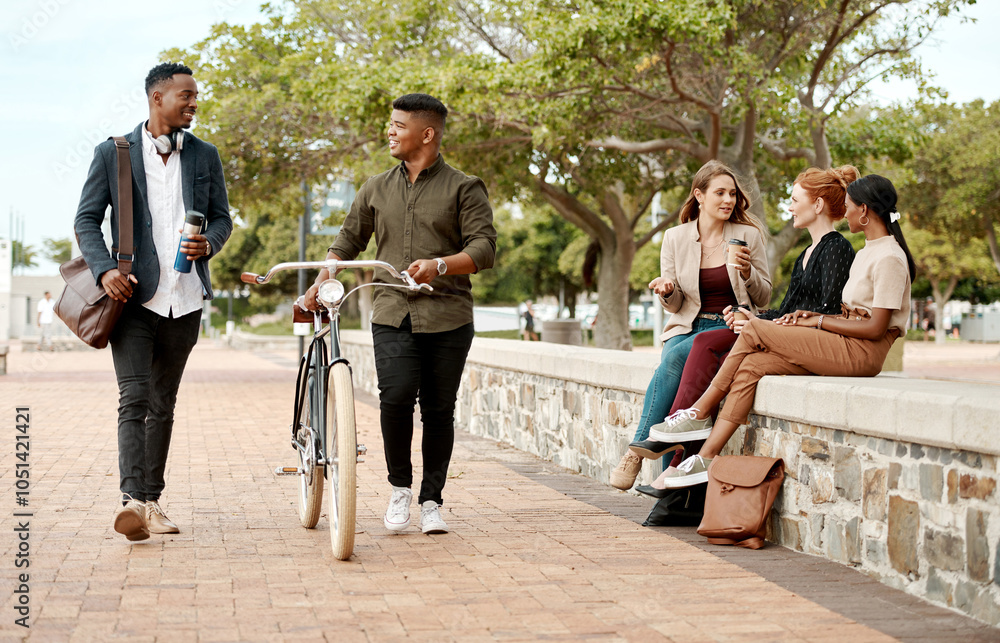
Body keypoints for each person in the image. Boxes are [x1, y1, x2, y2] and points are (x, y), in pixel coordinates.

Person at [304, 93, 496, 535]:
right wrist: (320, 281)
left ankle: (431, 500)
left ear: (426, 134)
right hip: (391, 312)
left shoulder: (465, 187)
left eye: (398, 125)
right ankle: (399, 488)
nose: (389, 131)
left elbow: (483, 248)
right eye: (390, 124)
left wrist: (440, 264)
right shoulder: (375, 187)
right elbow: (347, 242)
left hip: (449, 316)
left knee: (438, 409)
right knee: (394, 399)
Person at [651, 174, 914, 488]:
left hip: (862, 352)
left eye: (848, 206)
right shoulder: (868, 251)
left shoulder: (890, 257)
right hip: (844, 341)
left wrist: (815, 321)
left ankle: (698, 411)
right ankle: (705, 458)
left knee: (753, 332)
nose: (843, 212)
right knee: (751, 366)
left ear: (865, 211)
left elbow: (874, 328)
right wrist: (807, 319)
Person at [75, 62, 233, 540]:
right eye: (185, 95)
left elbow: (223, 219)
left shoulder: (205, 155)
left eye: (195, 96)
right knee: (134, 398)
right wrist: (104, 270)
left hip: (185, 299)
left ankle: (152, 500)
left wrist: (210, 244)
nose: (194, 102)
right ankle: (132, 501)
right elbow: (86, 220)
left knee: (163, 403)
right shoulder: (114, 153)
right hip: (133, 299)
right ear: (157, 97)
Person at [609, 160, 771, 490]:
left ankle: (637, 453)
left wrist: (746, 273)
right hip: (687, 327)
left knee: (672, 359)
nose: (728, 200)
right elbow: (677, 303)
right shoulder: (675, 237)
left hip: (729, 328)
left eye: (732, 194)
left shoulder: (748, 235)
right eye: (720, 193)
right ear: (699, 195)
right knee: (675, 358)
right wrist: (667, 291)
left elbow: (764, 298)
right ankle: (653, 461)